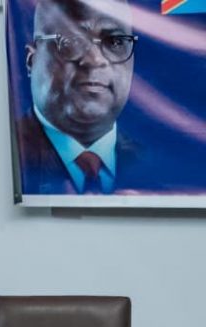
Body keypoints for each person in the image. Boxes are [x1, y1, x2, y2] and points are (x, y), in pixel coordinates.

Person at [17, 0, 150, 194]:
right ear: (31, 61)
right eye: (71, 41)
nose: (94, 59)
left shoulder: (159, 167)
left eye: (114, 42)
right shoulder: (1, 158)